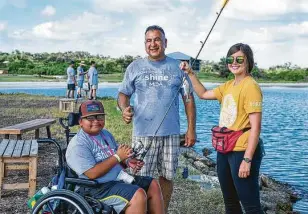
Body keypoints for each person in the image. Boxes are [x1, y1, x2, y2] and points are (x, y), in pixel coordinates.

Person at [117, 25, 196, 212]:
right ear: (145, 44)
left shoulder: (178, 68)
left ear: (165, 42)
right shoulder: (135, 66)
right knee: (139, 177)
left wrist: (191, 128)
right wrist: (124, 109)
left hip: (171, 134)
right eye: (149, 40)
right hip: (143, 134)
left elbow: (189, 100)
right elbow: (123, 94)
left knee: (167, 177)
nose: (153, 44)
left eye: (157, 39)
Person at [181, 43, 264, 213]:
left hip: (242, 150)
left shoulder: (251, 86)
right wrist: (190, 73)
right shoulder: (228, 85)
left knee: (251, 205)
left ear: (248, 61)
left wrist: (247, 160)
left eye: (239, 59)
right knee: (230, 202)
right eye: (230, 59)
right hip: (225, 149)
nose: (234, 62)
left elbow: (256, 128)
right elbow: (203, 94)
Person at [66, 100, 164, 214]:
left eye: (100, 117)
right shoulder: (78, 144)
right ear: (81, 121)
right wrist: (118, 157)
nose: (96, 121)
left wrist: (127, 161)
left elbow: (115, 160)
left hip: (115, 180)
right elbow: (92, 174)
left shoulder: (105, 134)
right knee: (138, 195)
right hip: (95, 188)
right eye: (91, 118)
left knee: (153, 185)